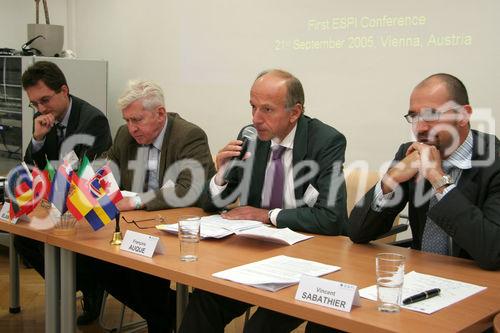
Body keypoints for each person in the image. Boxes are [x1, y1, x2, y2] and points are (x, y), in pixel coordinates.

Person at [179, 69, 348, 333]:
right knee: (204, 302)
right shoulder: (250, 136)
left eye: (267, 110)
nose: (255, 119)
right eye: (253, 107)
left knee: (259, 329)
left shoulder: (325, 142)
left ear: (294, 112)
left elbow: (332, 218)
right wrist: (220, 175)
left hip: (306, 260)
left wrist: (268, 215)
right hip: (255, 254)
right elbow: (213, 203)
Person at [88, 80, 216, 332]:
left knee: (141, 272)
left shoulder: (189, 135)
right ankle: (170, 314)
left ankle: (166, 318)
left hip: (178, 228)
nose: (131, 128)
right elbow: (107, 166)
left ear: (160, 114)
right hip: (137, 225)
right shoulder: (126, 135)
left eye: (137, 120)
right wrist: (87, 183)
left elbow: (189, 189)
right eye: (127, 120)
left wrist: (136, 200)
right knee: (95, 261)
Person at [349, 73, 500, 271]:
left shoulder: (494, 162)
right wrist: (390, 179)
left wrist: (438, 179)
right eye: (414, 116)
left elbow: (493, 252)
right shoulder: (410, 152)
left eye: (431, 115)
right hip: (419, 276)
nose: (419, 128)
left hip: (476, 283)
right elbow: (357, 232)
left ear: (464, 115)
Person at [14, 60, 112, 325]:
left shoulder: (93, 120)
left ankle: (88, 285)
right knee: (22, 239)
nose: (41, 109)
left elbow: (88, 175)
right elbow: (30, 170)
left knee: (66, 238)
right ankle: (79, 283)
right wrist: (37, 139)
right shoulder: (43, 120)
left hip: (86, 204)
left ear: (64, 91)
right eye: (35, 104)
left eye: (45, 100)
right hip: (55, 204)